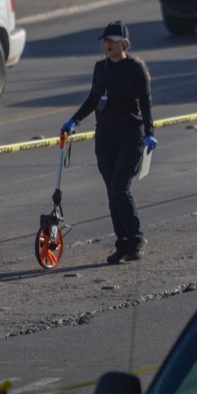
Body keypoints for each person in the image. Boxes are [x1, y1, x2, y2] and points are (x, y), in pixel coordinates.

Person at [61, 21, 158, 264]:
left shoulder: (136, 69)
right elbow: (93, 99)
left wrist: (149, 132)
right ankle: (122, 244)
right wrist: (73, 121)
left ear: (123, 43)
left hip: (130, 136)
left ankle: (136, 240)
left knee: (120, 189)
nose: (107, 45)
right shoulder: (100, 68)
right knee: (111, 193)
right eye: (105, 41)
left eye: (112, 41)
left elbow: (145, 103)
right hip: (105, 137)